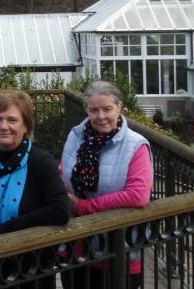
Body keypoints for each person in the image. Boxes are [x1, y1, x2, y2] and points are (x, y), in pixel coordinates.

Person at [0, 89, 69, 289]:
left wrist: (2, 233)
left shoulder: (41, 162)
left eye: (12, 120)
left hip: (31, 271)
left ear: (25, 125)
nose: (4, 126)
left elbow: (60, 210)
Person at [60, 81, 153, 289]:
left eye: (107, 109)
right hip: (75, 242)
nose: (100, 116)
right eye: (94, 110)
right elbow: (62, 170)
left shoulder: (135, 145)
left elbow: (138, 195)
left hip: (116, 246)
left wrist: (84, 207)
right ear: (86, 110)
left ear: (119, 107)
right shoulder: (76, 136)